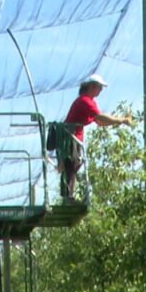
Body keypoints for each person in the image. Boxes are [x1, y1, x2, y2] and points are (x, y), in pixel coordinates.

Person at [58, 73, 134, 202]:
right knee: (72, 163)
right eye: (99, 87)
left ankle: (68, 195)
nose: (101, 90)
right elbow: (100, 117)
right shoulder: (85, 101)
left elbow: (99, 122)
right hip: (70, 137)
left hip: (74, 138)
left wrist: (117, 122)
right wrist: (121, 120)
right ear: (92, 87)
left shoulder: (90, 101)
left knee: (74, 164)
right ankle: (68, 197)